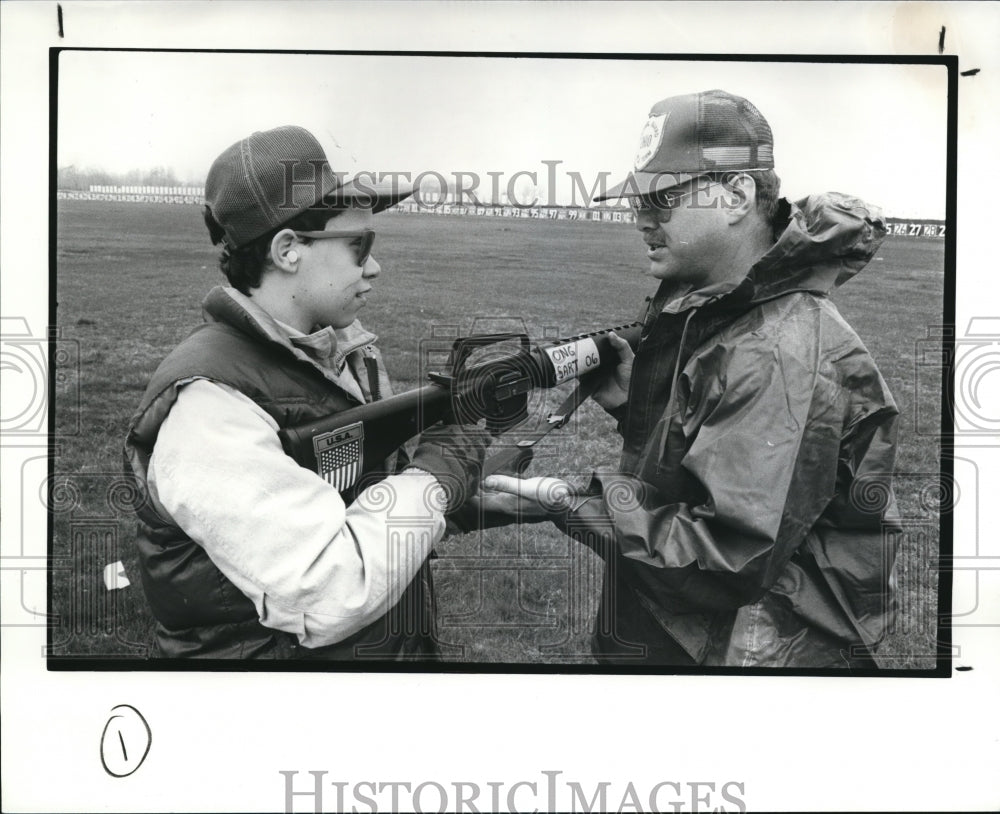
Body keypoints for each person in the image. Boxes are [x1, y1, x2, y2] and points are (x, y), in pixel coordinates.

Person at [482, 89, 900, 668]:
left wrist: (568, 499)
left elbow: (725, 559)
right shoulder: (727, 310)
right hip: (687, 636)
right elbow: (728, 464)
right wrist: (638, 410)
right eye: (639, 201)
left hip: (742, 661)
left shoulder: (780, 350)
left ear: (736, 195)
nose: (641, 220)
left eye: (663, 200)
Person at [123, 125, 488, 659]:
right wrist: (439, 472)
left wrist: (496, 494)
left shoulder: (332, 352)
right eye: (359, 245)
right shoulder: (210, 408)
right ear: (288, 250)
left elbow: (362, 495)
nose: (375, 265)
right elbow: (335, 589)